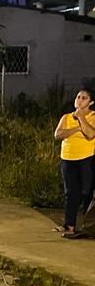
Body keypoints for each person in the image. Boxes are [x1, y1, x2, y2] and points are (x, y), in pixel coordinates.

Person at [54, 89, 95, 238]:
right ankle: (69, 225)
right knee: (71, 192)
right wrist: (77, 128)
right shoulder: (66, 117)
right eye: (78, 97)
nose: (79, 100)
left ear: (91, 102)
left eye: (84, 98)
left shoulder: (93, 116)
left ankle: (88, 228)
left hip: (87, 158)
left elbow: (90, 134)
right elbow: (58, 134)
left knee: (87, 192)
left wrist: (81, 118)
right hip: (67, 158)